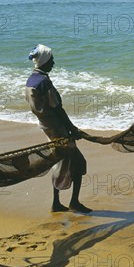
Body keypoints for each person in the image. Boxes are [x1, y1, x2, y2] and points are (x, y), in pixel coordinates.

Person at [25, 44, 92, 213]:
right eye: (51, 60)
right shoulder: (44, 82)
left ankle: (57, 203)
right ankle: (73, 202)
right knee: (78, 162)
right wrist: (72, 129)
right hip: (57, 129)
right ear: (45, 61)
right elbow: (57, 108)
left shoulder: (31, 80)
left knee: (59, 163)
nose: (53, 63)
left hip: (46, 127)